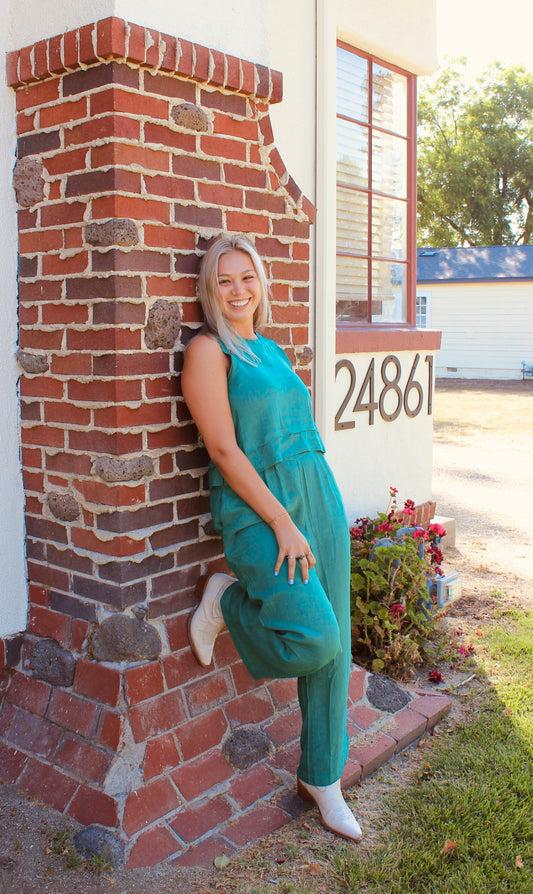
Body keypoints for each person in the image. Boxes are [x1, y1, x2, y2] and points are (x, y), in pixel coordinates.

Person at [181, 233, 362, 842]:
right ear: (210, 289)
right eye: (224, 280)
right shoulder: (209, 350)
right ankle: (227, 599)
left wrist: (314, 505)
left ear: (262, 283)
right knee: (315, 637)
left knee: (336, 647)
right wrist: (283, 519)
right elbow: (224, 449)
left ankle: (323, 778)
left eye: (247, 278)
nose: (237, 290)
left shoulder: (272, 349)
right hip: (260, 507)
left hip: (316, 491)